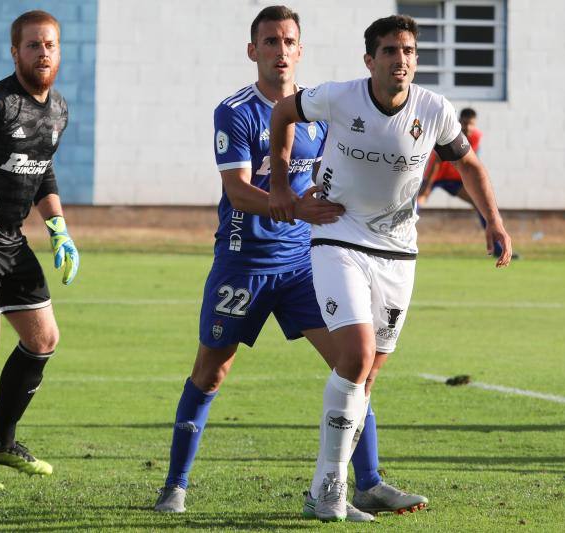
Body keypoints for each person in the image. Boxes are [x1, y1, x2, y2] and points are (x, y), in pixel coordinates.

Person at [153, 6, 426, 521]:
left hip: (306, 264)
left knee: (356, 366)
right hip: (243, 265)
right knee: (211, 373)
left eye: (289, 42)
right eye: (271, 42)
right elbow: (236, 190)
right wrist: (296, 205)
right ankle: (175, 485)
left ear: (301, 51)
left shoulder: (320, 110)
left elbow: (336, 173)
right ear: (253, 50)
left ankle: (365, 483)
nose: (281, 51)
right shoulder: (235, 111)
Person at [268, 15, 512, 521]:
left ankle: (326, 487)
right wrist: (280, 190)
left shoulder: (434, 110)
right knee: (354, 355)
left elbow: (468, 165)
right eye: (389, 51)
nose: (400, 60)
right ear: (369, 60)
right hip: (338, 234)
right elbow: (282, 114)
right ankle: (331, 490)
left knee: (366, 377)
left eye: (408, 51)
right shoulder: (339, 96)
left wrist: (493, 221)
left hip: (399, 251)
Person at [0, 10, 79, 490]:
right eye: (33, 46)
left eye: (49, 45)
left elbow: (43, 170)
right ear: (15, 52)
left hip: (12, 239)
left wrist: (59, 230)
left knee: (43, 338)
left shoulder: (58, 110)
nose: (42, 53)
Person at [417, 108, 513, 258]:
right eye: (465, 123)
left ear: (475, 124)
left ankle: (498, 249)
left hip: (455, 180)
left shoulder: (476, 137)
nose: (468, 127)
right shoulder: (451, 132)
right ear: (459, 122)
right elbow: (436, 161)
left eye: (471, 124)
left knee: (481, 204)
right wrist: (427, 188)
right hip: (435, 177)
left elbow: (472, 162)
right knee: (416, 203)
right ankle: (397, 239)